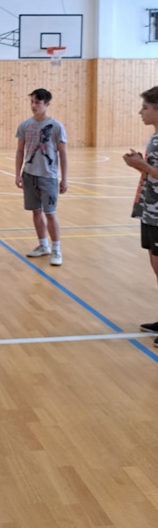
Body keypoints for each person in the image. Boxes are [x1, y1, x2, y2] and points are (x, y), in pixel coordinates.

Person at [15, 88, 68, 266]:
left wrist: (64, 178)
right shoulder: (24, 125)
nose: (33, 106)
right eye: (32, 102)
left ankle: (56, 249)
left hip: (48, 177)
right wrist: (18, 174)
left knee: (50, 213)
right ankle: (43, 245)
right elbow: (20, 151)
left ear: (47, 104)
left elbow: (63, 153)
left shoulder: (56, 127)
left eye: (37, 102)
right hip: (29, 175)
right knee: (36, 212)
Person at [123, 86, 158, 345]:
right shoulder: (154, 138)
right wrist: (140, 165)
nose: (140, 112)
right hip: (150, 211)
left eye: (145, 107)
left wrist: (142, 165)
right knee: (156, 266)